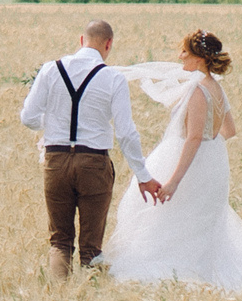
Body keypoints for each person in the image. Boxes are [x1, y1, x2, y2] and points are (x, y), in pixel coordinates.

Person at [100, 30, 242, 290]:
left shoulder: (198, 90)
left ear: (198, 58)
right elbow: (230, 130)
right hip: (214, 162)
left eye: (184, 52)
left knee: (168, 217)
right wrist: (212, 139)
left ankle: (175, 271)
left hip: (190, 163)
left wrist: (174, 180)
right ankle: (204, 269)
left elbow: (194, 138)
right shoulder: (216, 88)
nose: (179, 56)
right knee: (196, 220)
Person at [17, 19, 162, 280]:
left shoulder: (51, 70)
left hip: (56, 161)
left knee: (60, 242)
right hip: (94, 164)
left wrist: (51, 123)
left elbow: (28, 117)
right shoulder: (113, 78)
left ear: (81, 40)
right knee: (91, 247)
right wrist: (143, 176)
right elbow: (126, 133)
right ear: (108, 45)